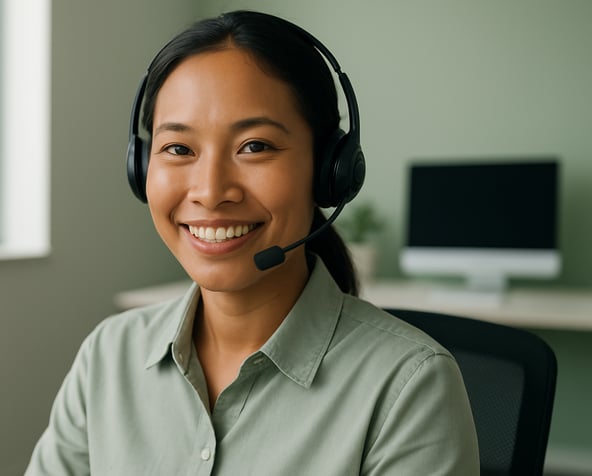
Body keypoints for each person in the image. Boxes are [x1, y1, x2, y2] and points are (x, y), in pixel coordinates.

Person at [26, 10, 479, 476]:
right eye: (179, 149)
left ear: (329, 171)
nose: (210, 190)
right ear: (142, 168)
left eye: (255, 146)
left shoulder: (408, 385)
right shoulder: (108, 355)